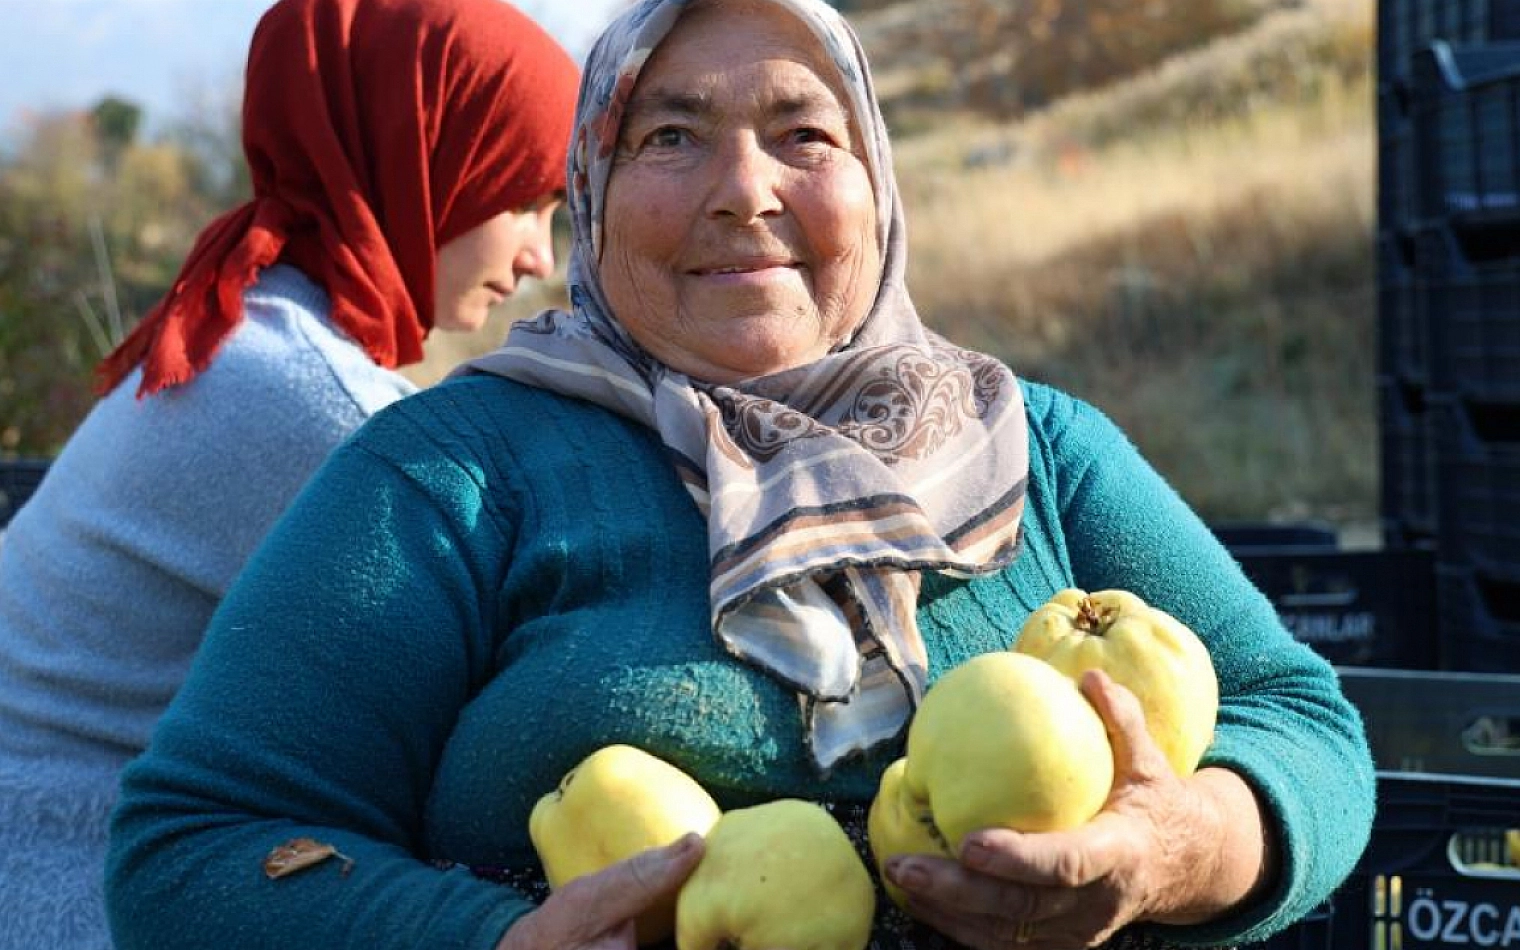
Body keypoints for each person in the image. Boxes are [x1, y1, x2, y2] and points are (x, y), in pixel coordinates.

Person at [105, 0, 1376, 946]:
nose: (743, 192)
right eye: (671, 136)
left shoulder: (1041, 449)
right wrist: (490, 937)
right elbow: (194, 847)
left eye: (801, 133)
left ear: (876, 182)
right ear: (592, 192)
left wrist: (1176, 848)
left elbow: (1304, 723)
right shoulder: (453, 474)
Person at [0, 0, 579, 946]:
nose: (534, 257)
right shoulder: (318, 405)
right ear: (420, 153)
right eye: (520, 199)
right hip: (70, 882)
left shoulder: (258, 325)